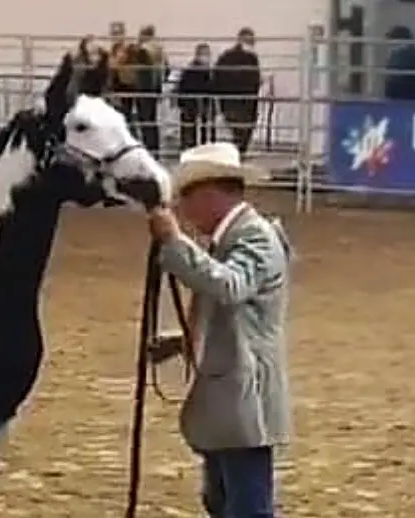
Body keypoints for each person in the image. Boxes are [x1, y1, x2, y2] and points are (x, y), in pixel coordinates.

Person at [146, 142, 292, 518]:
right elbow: (236, 311)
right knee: (223, 499)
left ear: (210, 193)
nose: (182, 208)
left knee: (246, 505)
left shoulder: (255, 236)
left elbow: (231, 287)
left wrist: (175, 243)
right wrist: (184, 342)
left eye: (186, 197)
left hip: (244, 393)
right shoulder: (234, 237)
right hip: (229, 391)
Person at [214, 28, 262, 154]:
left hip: (232, 102)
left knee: (238, 132)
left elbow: (217, 77)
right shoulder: (250, 58)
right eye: (250, 41)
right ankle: (239, 154)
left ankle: (237, 155)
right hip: (242, 102)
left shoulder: (226, 56)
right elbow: (254, 80)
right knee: (243, 132)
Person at [133, 25, 169, 152]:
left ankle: (148, 148)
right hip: (156, 88)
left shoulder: (143, 50)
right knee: (153, 120)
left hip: (144, 89)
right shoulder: (159, 49)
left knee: (145, 120)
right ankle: (155, 148)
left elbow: (140, 72)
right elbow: (167, 69)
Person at [176, 43, 216, 149]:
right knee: (201, 128)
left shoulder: (190, 68)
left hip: (193, 103)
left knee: (191, 129)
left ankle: (190, 146)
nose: (207, 57)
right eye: (205, 54)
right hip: (197, 103)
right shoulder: (204, 70)